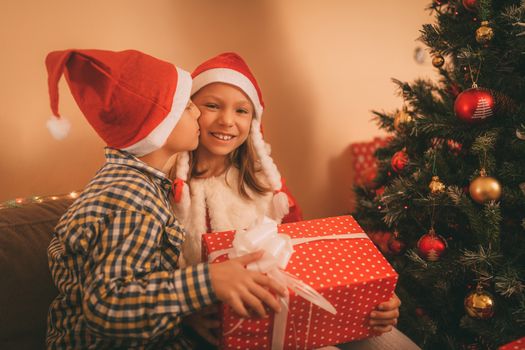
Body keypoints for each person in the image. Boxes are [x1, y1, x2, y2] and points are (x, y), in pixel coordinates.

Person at [172, 52, 419, 349]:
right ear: (190, 110)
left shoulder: (265, 184)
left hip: (288, 305)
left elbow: (303, 253)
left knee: (393, 343)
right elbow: (150, 277)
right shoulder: (167, 184)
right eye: (212, 105)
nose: (227, 121)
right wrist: (185, 315)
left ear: (253, 121)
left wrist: (375, 298)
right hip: (225, 327)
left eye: (241, 111)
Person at [44, 49, 286, 349]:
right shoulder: (131, 199)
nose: (197, 112)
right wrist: (209, 281)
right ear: (157, 125)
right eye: (187, 106)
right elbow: (106, 306)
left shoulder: (140, 186)